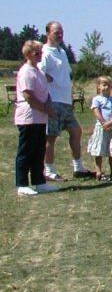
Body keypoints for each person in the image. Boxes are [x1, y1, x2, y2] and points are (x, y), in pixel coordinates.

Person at [39, 21, 87, 180]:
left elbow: (66, 75)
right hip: (53, 101)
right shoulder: (45, 52)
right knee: (51, 136)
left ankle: (78, 167)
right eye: (56, 32)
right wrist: (49, 79)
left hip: (65, 101)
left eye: (61, 32)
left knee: (76, 131)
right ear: (48, 33)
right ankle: (49, 170)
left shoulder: (62, 51)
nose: (60, 35)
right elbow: (38, 73)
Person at [13, 40, 59, 196]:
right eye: (36, 53)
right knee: (26, 151)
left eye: (41, 52)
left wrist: (48, 107)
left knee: (39, 150)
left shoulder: (38, 71)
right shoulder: (25, 71)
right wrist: (46, 109)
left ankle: (39, 181)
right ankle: (22, 184)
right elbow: (28, 96)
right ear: (28, 54)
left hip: (40, 118)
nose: (40, 55)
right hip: (28, 117)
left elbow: (45, 93)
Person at [86, 76, 112, 180]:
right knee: (99, 149)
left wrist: (111, 122)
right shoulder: (97, 99)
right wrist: (104, 123)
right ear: (99, 86)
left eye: (108, 85)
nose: (106, 87)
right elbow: (96, 112)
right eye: (104, 85)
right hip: (101, 127)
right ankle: (98, 171)